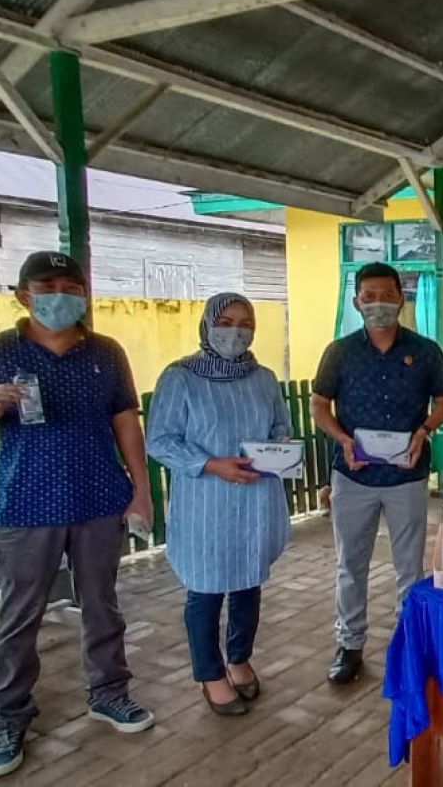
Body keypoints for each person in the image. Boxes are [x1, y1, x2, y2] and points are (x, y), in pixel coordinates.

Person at [0, 252, 155, 779]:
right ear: (23, 294)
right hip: (25, 505)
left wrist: (140, 491)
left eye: (71, 285)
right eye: (47, 285)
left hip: (99, 500)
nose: (61, 294)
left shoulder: (105, 351)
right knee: (19, 618)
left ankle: (109, 693)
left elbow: (126, 421)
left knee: (103, 605)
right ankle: (8, 718)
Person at [146, 294, 292, 716]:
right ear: (207, 324)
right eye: (225, 321)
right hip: (206, 502)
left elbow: (280, 425)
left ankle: (240, 658)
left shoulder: (262, 377)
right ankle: (210, 675)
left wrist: (279, 448)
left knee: (248, 582)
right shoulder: (181, 377)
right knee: (206, 589)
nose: (236, 331)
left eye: (245, 323)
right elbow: (160, 441)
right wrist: (210, 464)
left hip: (255, 499)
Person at [311, 262, 443, 684]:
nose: (378, 303)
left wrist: (425, 431)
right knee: (350, 565)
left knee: (409, 568)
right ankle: (349, 644)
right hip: (353, 475)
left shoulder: (425, 351)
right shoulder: (340, 352)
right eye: (368, 296)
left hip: (406, 477)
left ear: (401, 298)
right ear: (356, 302)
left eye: (386, 295)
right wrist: (343, 440)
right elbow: (320, 405)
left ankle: (409, 644)